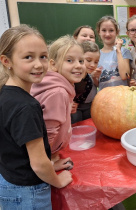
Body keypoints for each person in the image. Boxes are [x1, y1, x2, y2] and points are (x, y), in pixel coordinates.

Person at [0, 25, 72, 209]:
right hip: (28, 193)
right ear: (6, 61)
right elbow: (38, 164)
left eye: (43, 56)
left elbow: (17, 150)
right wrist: (57, 180)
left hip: (9, 182)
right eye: (28, 57)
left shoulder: (5, 94)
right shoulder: (26, 107)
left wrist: (50, 165)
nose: (39, 64)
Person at [31, 35, 85, 161]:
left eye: (81, 61)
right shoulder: (59, 92)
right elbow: (48, 134)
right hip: (46, 157)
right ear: (53, 64)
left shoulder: (58, 86)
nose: (78, 65)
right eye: (70, 60)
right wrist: (48, 163)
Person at [95, 15, 132, 91]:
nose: (107, 34)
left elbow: (124, 76)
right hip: (104, 98)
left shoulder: (124, 52)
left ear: (117, 32)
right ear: (99, 32)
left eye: (111, 30)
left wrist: (118, 50)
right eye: (104, 30)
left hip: (122, 96)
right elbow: (97, 83)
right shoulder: (96, 55)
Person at [71, 41, 100, 124]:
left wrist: (94, 77)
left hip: (89, 106)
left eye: (96, 62)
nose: (92, 65)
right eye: (88, 60)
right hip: (76, 108)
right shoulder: (73, 75)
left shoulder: (90, 75)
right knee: (76, 126)